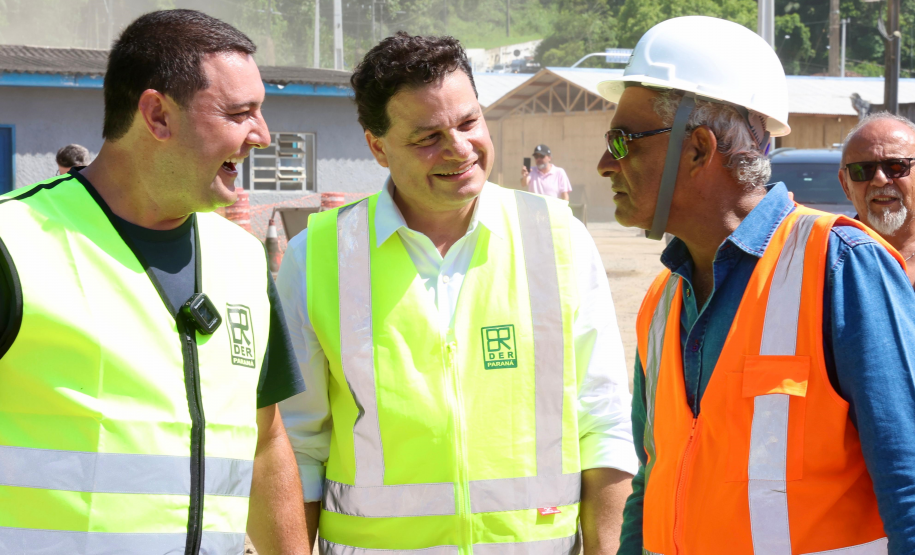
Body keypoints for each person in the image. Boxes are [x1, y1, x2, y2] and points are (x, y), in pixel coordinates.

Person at [277, 32, 638, 555]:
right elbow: (296, 445)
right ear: (377, 146)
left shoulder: (558, 237)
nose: (460, 148)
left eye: (469, 122)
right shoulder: (318, 257)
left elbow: (602, 421)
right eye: (427, 137)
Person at [595, 16, 915, 555]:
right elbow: (650, 488)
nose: (606, 163)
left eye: (623, 141)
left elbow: (908, 485)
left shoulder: (842, 267)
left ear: (697, 150)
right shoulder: (662, 300)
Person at [0, 10, 308, 554]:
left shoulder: (241, 259)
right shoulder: (14, 243)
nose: (261, 135)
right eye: (240, 113)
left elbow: (264, 441)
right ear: (157, 115)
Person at [838, 112, 915, 286]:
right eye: (862, 170)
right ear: (845, 185)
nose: (879, 180)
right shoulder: (825, 259)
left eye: (896, 166)